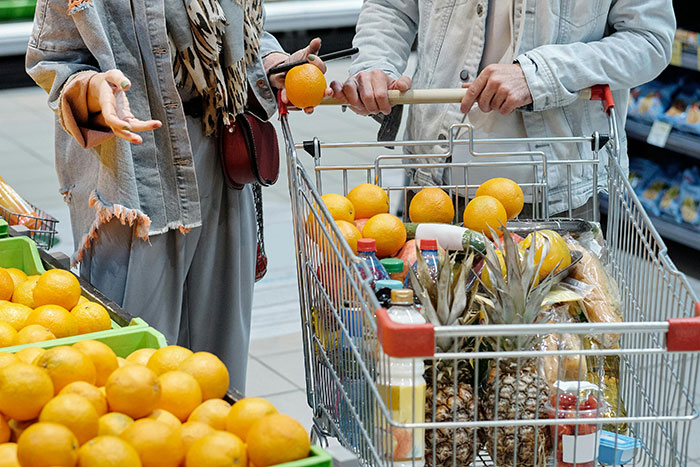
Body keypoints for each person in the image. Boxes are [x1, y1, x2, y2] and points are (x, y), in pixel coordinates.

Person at [26, 0, 328, 393]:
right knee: (135, 365)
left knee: (220, 362)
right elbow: (55, 59)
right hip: (134, 166)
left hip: (220, 149)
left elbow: (240, 35)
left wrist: (271, 64)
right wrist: (93, 90)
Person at [331, 0, 675, 217]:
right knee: (428, 326)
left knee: (550, 332)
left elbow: (649, 41)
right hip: (431, 181)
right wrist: (375, 64)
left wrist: (541, 74)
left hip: (552, 196)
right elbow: (391, 7)